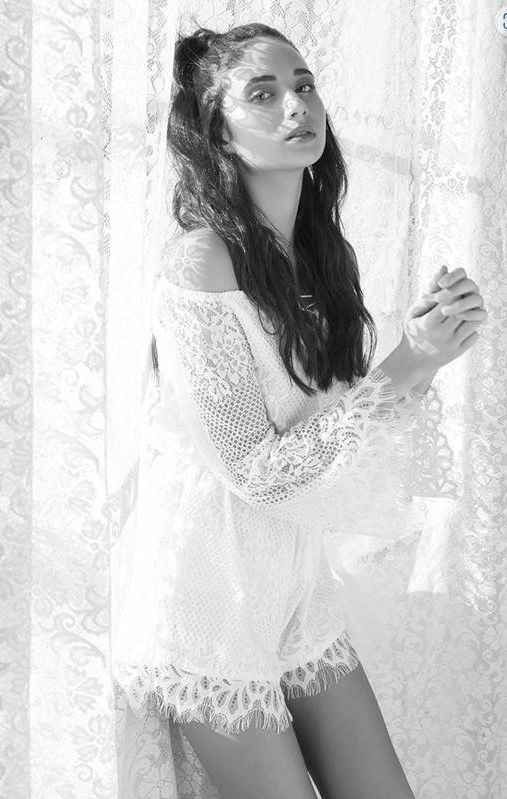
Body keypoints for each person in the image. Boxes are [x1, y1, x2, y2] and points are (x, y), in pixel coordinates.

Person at [118, 21, 488, 799]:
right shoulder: (201, 260)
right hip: (207, 605)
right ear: (217, 131)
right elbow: (257, 469)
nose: (296, 105)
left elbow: (336, 438)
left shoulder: (317, 259)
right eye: (262, 93)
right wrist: (406, 362)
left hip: (291, 590)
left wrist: (429, 350)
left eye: (303, 84)